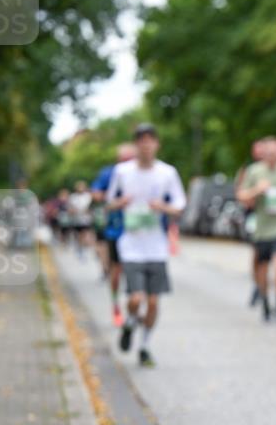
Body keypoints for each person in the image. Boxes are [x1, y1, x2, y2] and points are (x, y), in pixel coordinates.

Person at [106, 123, 187, 368]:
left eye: (150, 140)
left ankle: (144, 346)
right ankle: (130, 321)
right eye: (141, 140)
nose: (145, 145)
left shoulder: (167, 173)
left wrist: (162, 207)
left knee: (153, 302)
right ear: (135, 145)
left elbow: (180, 205)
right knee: (135, 298)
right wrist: (121, 202)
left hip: (157, 246)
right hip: (130, 245)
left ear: (156, 144)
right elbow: (109, 202)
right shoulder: (122, 172)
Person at [237, 137, 276, 323]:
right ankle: (265, 301)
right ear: (264, 154)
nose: (273, 157)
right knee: (262, 268)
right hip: (262, 227)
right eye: (269, 153)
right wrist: (257, 190)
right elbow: (241, 195)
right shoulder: (254, 171)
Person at [92, 143, 137, 326]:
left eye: (130, 159)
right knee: (117, 271)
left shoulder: (141, 173)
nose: (127, 163)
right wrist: (115, 200)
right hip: (116, 229)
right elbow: (96, 194)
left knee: (135, 271)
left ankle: (134, 309)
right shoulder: (109, 173)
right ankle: (116, 306)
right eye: (124, 160)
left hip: (137, 231)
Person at [235, 139, 265, 307]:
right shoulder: (248, 170)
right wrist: (254, 194)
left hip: (273, 218)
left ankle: (263, 284)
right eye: (258, 150)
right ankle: (257, 285)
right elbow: (241, 194)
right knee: (257, 252)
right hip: (254, 216)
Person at [67, 180, 93, 259]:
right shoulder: (73, 197)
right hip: (76, 220)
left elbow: (91, 207)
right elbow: (69, 209)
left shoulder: (88, 196)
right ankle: (79, 248)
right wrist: (72, 211)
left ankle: (83, 249)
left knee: (85, 234)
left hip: (86, 219)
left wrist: (89, 211)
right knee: (78, 235)